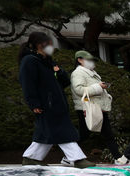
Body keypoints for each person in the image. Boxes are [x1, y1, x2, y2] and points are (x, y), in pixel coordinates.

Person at [18, 32, 95, 168]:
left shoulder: (47, 61)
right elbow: (28, 84)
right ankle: (77, 158)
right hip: (46, 104)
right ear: (37, 45)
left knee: (46, 132)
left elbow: (65, 81)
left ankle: (30, 158)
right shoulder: (30, 61)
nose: (50, 46)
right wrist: (33, 103)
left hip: (56, 103)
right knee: (63, 131)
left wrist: (59, 71)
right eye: (46, 44)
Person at [70, 50, 122, 162]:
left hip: (95, 107)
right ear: (79, 60)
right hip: (87, 108)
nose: (92, 62)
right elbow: (78, 89)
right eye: (88, 60)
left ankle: (118, 158)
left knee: (104, 134)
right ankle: (68, 155)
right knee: (84, 135)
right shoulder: (78, 73)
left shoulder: (90, 72)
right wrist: (98, 87)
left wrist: (100, 87)